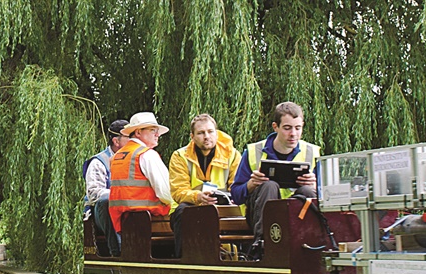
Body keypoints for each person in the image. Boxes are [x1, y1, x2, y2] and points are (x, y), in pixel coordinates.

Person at [231, 102, 320, 259]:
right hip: (261, 217)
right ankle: (263, 247)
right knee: (268, 185)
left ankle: (307, 245)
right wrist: (251, 185)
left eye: (298, 128)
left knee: (308, 191)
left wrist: (315, 186)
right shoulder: (253, 152)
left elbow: (327, 197)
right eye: (287, 128)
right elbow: (236, 195)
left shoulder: (312, 152)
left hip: (296, 215)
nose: (293, 134)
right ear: (275, 127)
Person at [168, 114, 241, 257]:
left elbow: (237, 186)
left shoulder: (232, 155)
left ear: (216, 133)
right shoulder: (179, 156)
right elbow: (178, 191)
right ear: (192, 136)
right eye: (201, 133)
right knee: (184, 212)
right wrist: (198, 197)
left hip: (222, 206)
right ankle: (185, 262)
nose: (207, 136)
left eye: (210, 131)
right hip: (191, 205)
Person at [109, 112, 173, 239]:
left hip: (123, 221)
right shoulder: (147, 155)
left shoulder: (117, 156)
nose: (157, 135)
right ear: (138, 132)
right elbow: (166, 192)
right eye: (152, 130)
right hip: (149, 219)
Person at [83, 119, 129, 256]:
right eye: (129, 137)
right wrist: (121, 195)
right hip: (101, 213)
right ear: (116, 141)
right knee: (107, 202)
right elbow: (94, 193)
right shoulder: (99, 162)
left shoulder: (135, 158)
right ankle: (118, 251)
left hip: (126, 208)